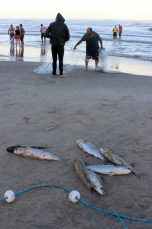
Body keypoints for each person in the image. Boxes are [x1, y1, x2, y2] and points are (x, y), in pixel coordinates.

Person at [44, 13, 70, 78]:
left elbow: (45, 34)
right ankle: (61, 74)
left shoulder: (52, 25)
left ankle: (54, 73)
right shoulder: (64, 25)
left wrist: (52, 37)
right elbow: (68, 37)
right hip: (61, 44)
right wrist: (63, 40)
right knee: (61, 59)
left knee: (54, 59)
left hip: (54, 44)